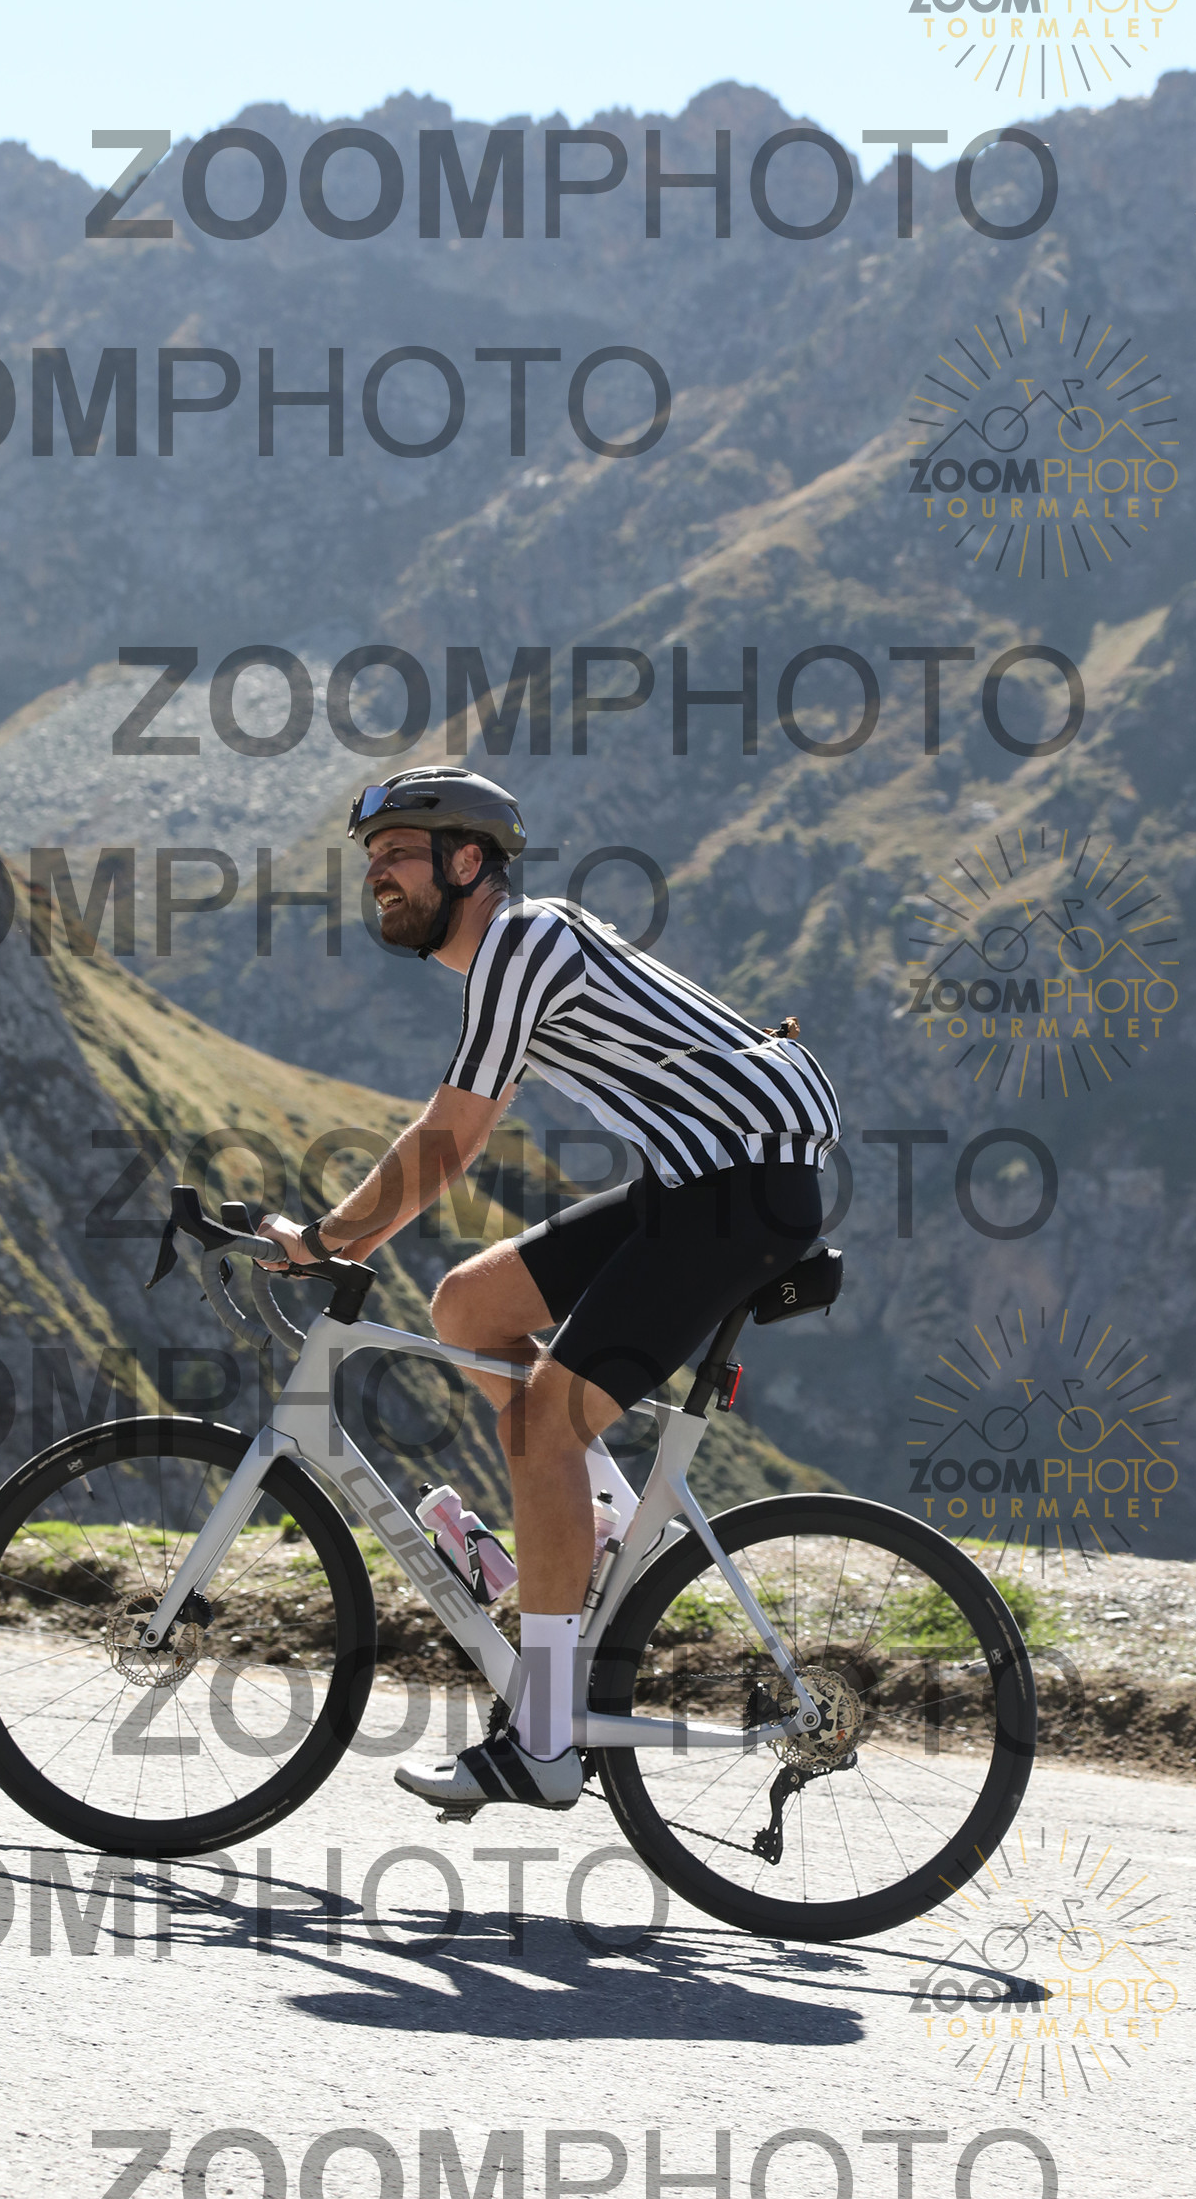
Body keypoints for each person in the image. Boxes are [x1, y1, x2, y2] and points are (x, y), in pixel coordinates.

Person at [260, 767, 842, 1813]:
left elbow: (450, 1138)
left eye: (398, 854)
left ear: (466, 861)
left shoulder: (522, 944)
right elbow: (456, 1142)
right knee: (468, 1308)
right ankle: (601, 1528)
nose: (378, 875)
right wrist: (337, 1243)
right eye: (371, 859)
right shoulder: (524, 952)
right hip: (698, 1181)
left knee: (540, 1428)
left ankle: (542, 1744)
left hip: (740, 1191)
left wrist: (321, 1239)